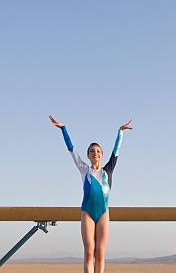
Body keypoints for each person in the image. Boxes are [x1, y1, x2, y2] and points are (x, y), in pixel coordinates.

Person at [49, 114, 133, 273]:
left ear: (102, 155)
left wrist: (120, 132)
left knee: (100, 253)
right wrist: (63, 129)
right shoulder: (84, 169)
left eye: (98, 151)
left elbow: (116, 151)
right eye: (92, 151)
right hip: (87, 212)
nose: (96, 153)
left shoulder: (108, 170)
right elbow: (71, 150)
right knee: (89, 253)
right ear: (88, 155)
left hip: (103, 214)